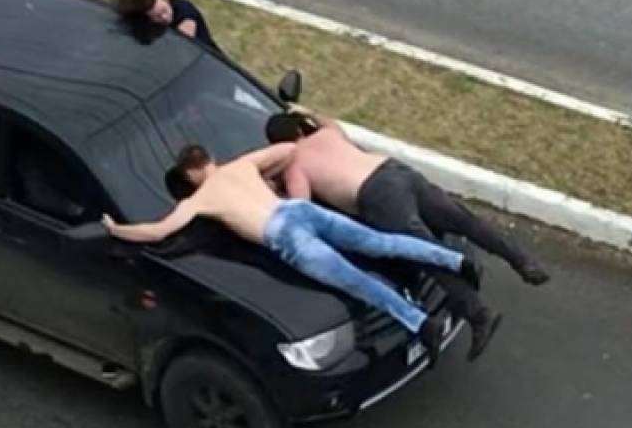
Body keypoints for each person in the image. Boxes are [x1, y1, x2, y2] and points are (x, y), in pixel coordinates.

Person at [104, 144, 494, 362]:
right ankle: (455, 260)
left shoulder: (200, 199)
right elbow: (289, 150)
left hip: (283, 237)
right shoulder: (242, 166)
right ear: (210, 159)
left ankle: (421, 324)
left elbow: (158, 231)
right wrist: (270, 178)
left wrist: (116, 228)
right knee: (381, 242)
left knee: (357, 282)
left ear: (190, 175)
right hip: (297, 209)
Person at [265, 110, 549, 316]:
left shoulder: (294, 162)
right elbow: (328, 120)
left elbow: (302, 205)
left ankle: (477, 313)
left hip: (377, 195)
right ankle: (522, 261)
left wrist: (276, 189)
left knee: (425, 252)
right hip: (396, 171)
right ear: (301, 129)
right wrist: (305, 112)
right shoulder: (328, 134)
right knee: (463, 221)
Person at [114, 0, 216, 48]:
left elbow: (184, 47)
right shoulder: (141, 20)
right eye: (157, 16)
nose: (165, 17)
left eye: (164, 10)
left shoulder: (184, 12)